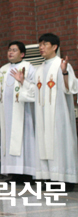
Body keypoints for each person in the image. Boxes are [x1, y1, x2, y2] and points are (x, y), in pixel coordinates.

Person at [0, 41, 36, 181]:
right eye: (9, 50)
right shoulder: (2, 70)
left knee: (24, 140)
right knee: (8, 140)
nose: (10, 52)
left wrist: (23, 81)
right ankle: (13, 173)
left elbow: (34, 90)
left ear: (22, 54)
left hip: (23, 112)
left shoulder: (29, 68)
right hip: (6, 113)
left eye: (14, 50)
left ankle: (27, 173)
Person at [34, 33, 78, 187]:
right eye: (40, 44)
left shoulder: (62, 64)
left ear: (54, 47)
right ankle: (49, 177)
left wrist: (65, 72)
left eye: (44, 44)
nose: (41, 47)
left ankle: (65, 179)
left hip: (58, 115)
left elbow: (71, 88)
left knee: (60, 143)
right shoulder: (39, 69)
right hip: (42, 115)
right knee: (44, 143)